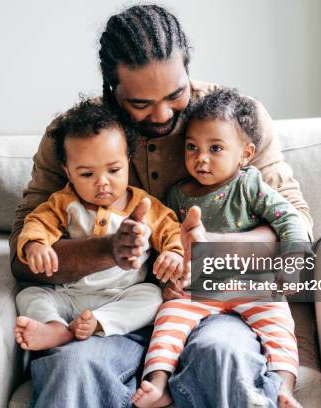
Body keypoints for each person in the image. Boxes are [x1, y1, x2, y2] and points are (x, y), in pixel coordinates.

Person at [10, 4, 313, 407]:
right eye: (140, 104)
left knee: (224, 357)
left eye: (176, 94)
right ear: (111, 89)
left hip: (212, 302)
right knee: (72, 370)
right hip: (107, 311)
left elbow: (297, 225)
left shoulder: (234, 121)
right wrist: (107, 249)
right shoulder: (76, 137)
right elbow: (21, 257)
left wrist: (204, 248)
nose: (163, 113)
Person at [132, 88, 309, 408]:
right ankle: (158, 384)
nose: (201, 158)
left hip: (253, 283)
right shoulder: (178, 195)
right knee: (169, 319)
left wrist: (293, 260)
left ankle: (284, 389)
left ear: (244, 153)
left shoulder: (250, 185)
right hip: (197, 288)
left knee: (279, 326)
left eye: (215, 148)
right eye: (192, 147)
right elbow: (166, 240)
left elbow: (290, 220)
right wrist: (168, 274)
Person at [13, 98, 184, 350]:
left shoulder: (145, 205)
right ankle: (56, 328)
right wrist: (35, 244)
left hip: (123, 293)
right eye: (86, 174)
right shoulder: (64, 202)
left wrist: (173, 254)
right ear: (68, 171)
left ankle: (100, 323)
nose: (102, 182)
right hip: (70, 294)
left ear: (128, 161)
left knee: (152, 296)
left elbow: (172, 230)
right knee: (29, 295)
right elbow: (38, 221)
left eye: (113, 170)